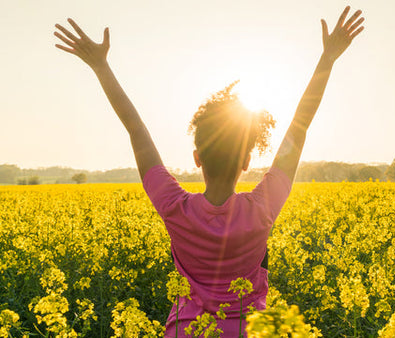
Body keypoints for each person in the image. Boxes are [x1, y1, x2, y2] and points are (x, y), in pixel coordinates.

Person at [54, 6, 364, 337]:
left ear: (196, 158)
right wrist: (327, 59)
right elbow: (298, 131)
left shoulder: (175, 207)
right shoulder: (261, 209)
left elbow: (136, 129)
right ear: (247, 161)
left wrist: (101, 67)